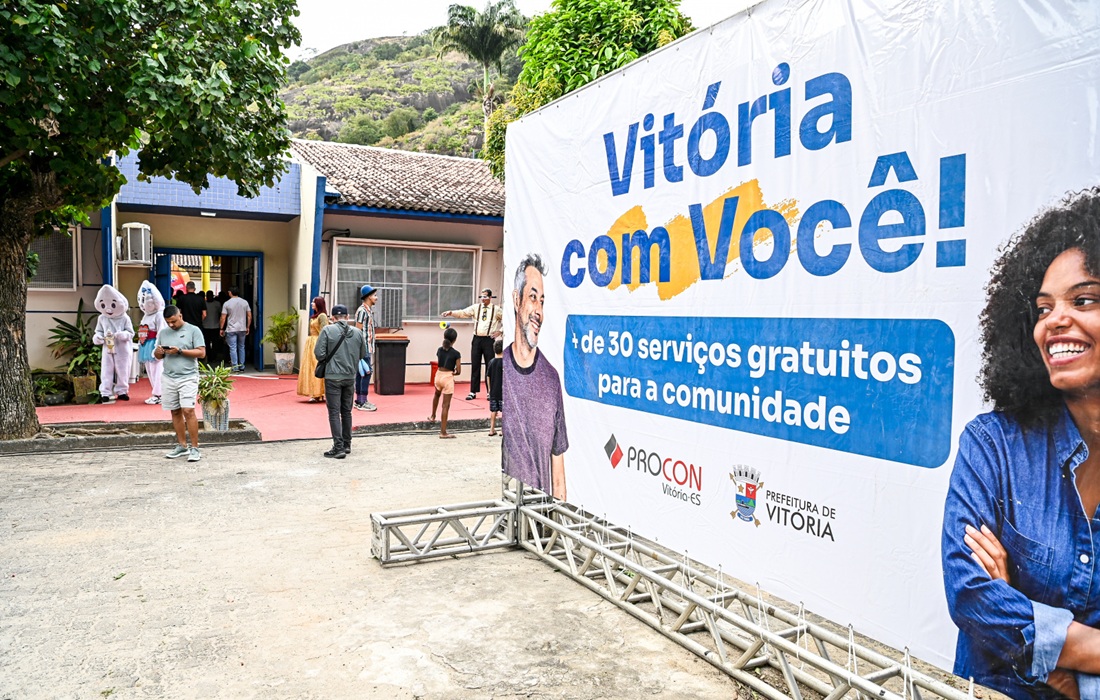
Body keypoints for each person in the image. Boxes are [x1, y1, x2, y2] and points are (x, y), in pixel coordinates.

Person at [942, 190, 1100, 700]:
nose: (1054, 320)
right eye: (1043, 307)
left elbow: (1002, 619)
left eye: (1084, 300)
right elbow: (972, 596)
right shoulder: (993, 447)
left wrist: (1038, 639)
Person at [503, 253, 568, 500]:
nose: (538, 310)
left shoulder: (551, 380)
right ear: (516, 300)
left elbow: (558, 477)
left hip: (539, 521)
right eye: (532, 298)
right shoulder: (499, 371)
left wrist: (559, 519)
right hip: (503, 516)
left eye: (542, 301)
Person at [314, 304, 367, 459]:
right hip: (350, 377)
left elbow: (319, 354)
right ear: (347, 317)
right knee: (346, 412)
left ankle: (338, 447)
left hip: (332, 376)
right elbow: (362, 353)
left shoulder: (327, 330)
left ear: (332, 318)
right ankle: (347, 444)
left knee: (334, 413)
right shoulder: (357, 332)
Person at [155, 305, 206, 462]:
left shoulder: (193, 330)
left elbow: (201, 353)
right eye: (168, 322)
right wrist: (159, 352)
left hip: (188, 376)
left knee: (188, 410)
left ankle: (195, 448)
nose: (171, 325)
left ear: (180, 316)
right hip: (168, 377)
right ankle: (182, 446)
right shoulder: (163, 333)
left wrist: (180, 351)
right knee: (175, 411)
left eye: (173, 321)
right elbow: (158, 356)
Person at [442, 288, 503, 400]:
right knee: (475, 365)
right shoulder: (476, 308)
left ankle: (490, 391)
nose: (483, 299)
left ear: (490, 297)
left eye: (485, 296)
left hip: (488, 340)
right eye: (482, 296)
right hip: (477, 339)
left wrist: (500, 331)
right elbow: (463, 313)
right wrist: (451, 313)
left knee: (489, 365)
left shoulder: (496, 310)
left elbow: (507, 319)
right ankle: (473, 391)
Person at [136, 281, 166, 405]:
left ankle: (159, 394)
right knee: (150, 370)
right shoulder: (146, 316)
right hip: (145, 345)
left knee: (157, 370)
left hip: (154, 345)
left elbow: (161, 332)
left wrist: (158, 347)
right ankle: (156, 392)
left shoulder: (159, 315)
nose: (142, 304)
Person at [428, 327, 462, 439]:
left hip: (438, 375)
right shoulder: (456, 353)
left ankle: (433, 415)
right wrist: (454, 373)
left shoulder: (439, 350)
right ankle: (443, 432)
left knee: (436, 394)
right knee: (445, 406)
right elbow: (458, 371)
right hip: (448, 377)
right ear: (455, 340)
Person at [297, 296, 329, 403]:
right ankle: (315, 392)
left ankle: (318, 393)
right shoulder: (314, 316)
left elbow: (325, 331)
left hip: (317, 342)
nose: (312, 304)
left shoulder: (322, 316)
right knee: (310, 367)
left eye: (313, 302)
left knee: (316, 366)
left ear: (318, 304)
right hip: (310, 343)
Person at [354, 284, 378, 411]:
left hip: (367, 347)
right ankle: (362, 401)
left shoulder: (368, 311)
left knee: (361, 373)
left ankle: (360, 400)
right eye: (374, 295)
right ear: (368, 297)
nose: (376, 298)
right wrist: (359, 349)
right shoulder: (362, 311)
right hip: (364, 348)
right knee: (366, 373)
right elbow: (358, 330)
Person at [220, 288, 252, 372]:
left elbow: (223, 318)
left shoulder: (227, 303)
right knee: (241, 347)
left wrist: (221, 328)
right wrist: (248, 326)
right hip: (242, 328)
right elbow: (249, 316)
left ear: (230, 292)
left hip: (231, 328)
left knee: (233, 348)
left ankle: (235, 367)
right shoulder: (245, 302)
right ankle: (242, 366)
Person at [487, 338, 503, 437]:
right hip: (502, 391)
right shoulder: (505, 362)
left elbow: (488, 376)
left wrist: (489, 389)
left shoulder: (491, 362)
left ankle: (491, 429)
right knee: (504, 411)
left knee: (493, 410)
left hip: (493, 390)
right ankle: (502, 430)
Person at [202, 290, 222, 364]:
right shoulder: (217, 304)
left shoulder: (205, 303)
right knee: (210, 343)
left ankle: (211, 357)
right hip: (210, 326)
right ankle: (211, 357)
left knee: (211, 343)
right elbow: (220, 314)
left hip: (212, 326)